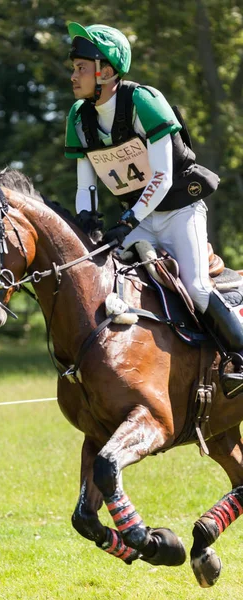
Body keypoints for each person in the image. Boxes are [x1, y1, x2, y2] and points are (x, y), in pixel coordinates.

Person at [65, 21, 243, 399]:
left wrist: (126, 222)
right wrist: (87, 223)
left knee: (195, 288)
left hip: (179, 211)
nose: (73, 75)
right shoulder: (78, 118)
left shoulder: (144, 101)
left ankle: (240, 358)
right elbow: (86, 187)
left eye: (81, 67)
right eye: (74, 67)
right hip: (138, 221)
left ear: (107, 71)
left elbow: (161, 178)